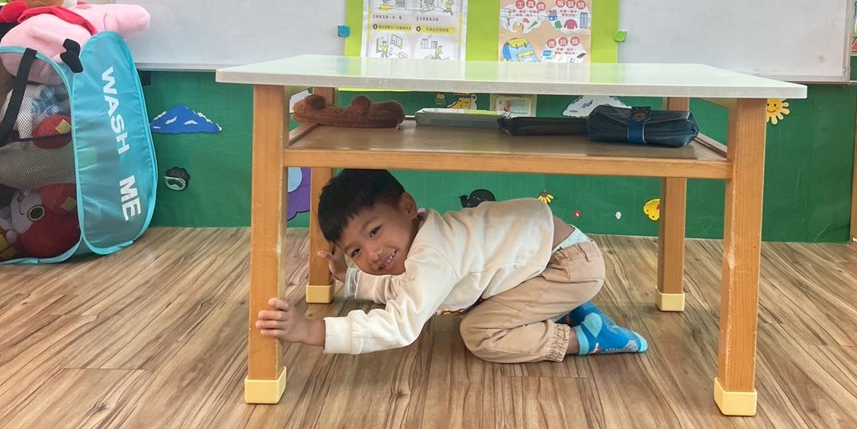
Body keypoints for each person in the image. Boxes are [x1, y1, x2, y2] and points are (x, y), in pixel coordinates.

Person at [255, 169, 647, 362]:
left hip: (566, 267)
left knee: (479, 333)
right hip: (553, 256)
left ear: (408, 207)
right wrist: (351, 279)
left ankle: (589, 337)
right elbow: (405, 287)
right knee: (477, 311)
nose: (371, 253)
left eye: (374, 231)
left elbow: (399, 325)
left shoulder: (432, 257)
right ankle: (566, 306)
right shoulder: (423, 235)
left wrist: (313, 330)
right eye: (355, 251)